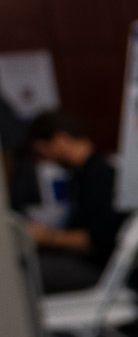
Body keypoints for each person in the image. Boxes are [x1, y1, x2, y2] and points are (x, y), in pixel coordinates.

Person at [21, 109, 124, 295]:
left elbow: (96, 241)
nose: (46, 160)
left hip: (98, 269)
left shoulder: (99, 176)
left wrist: (46, 236)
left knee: (18, 273)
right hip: (86, 264)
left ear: (60, 140)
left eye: (43, 151)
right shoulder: (83, 175)